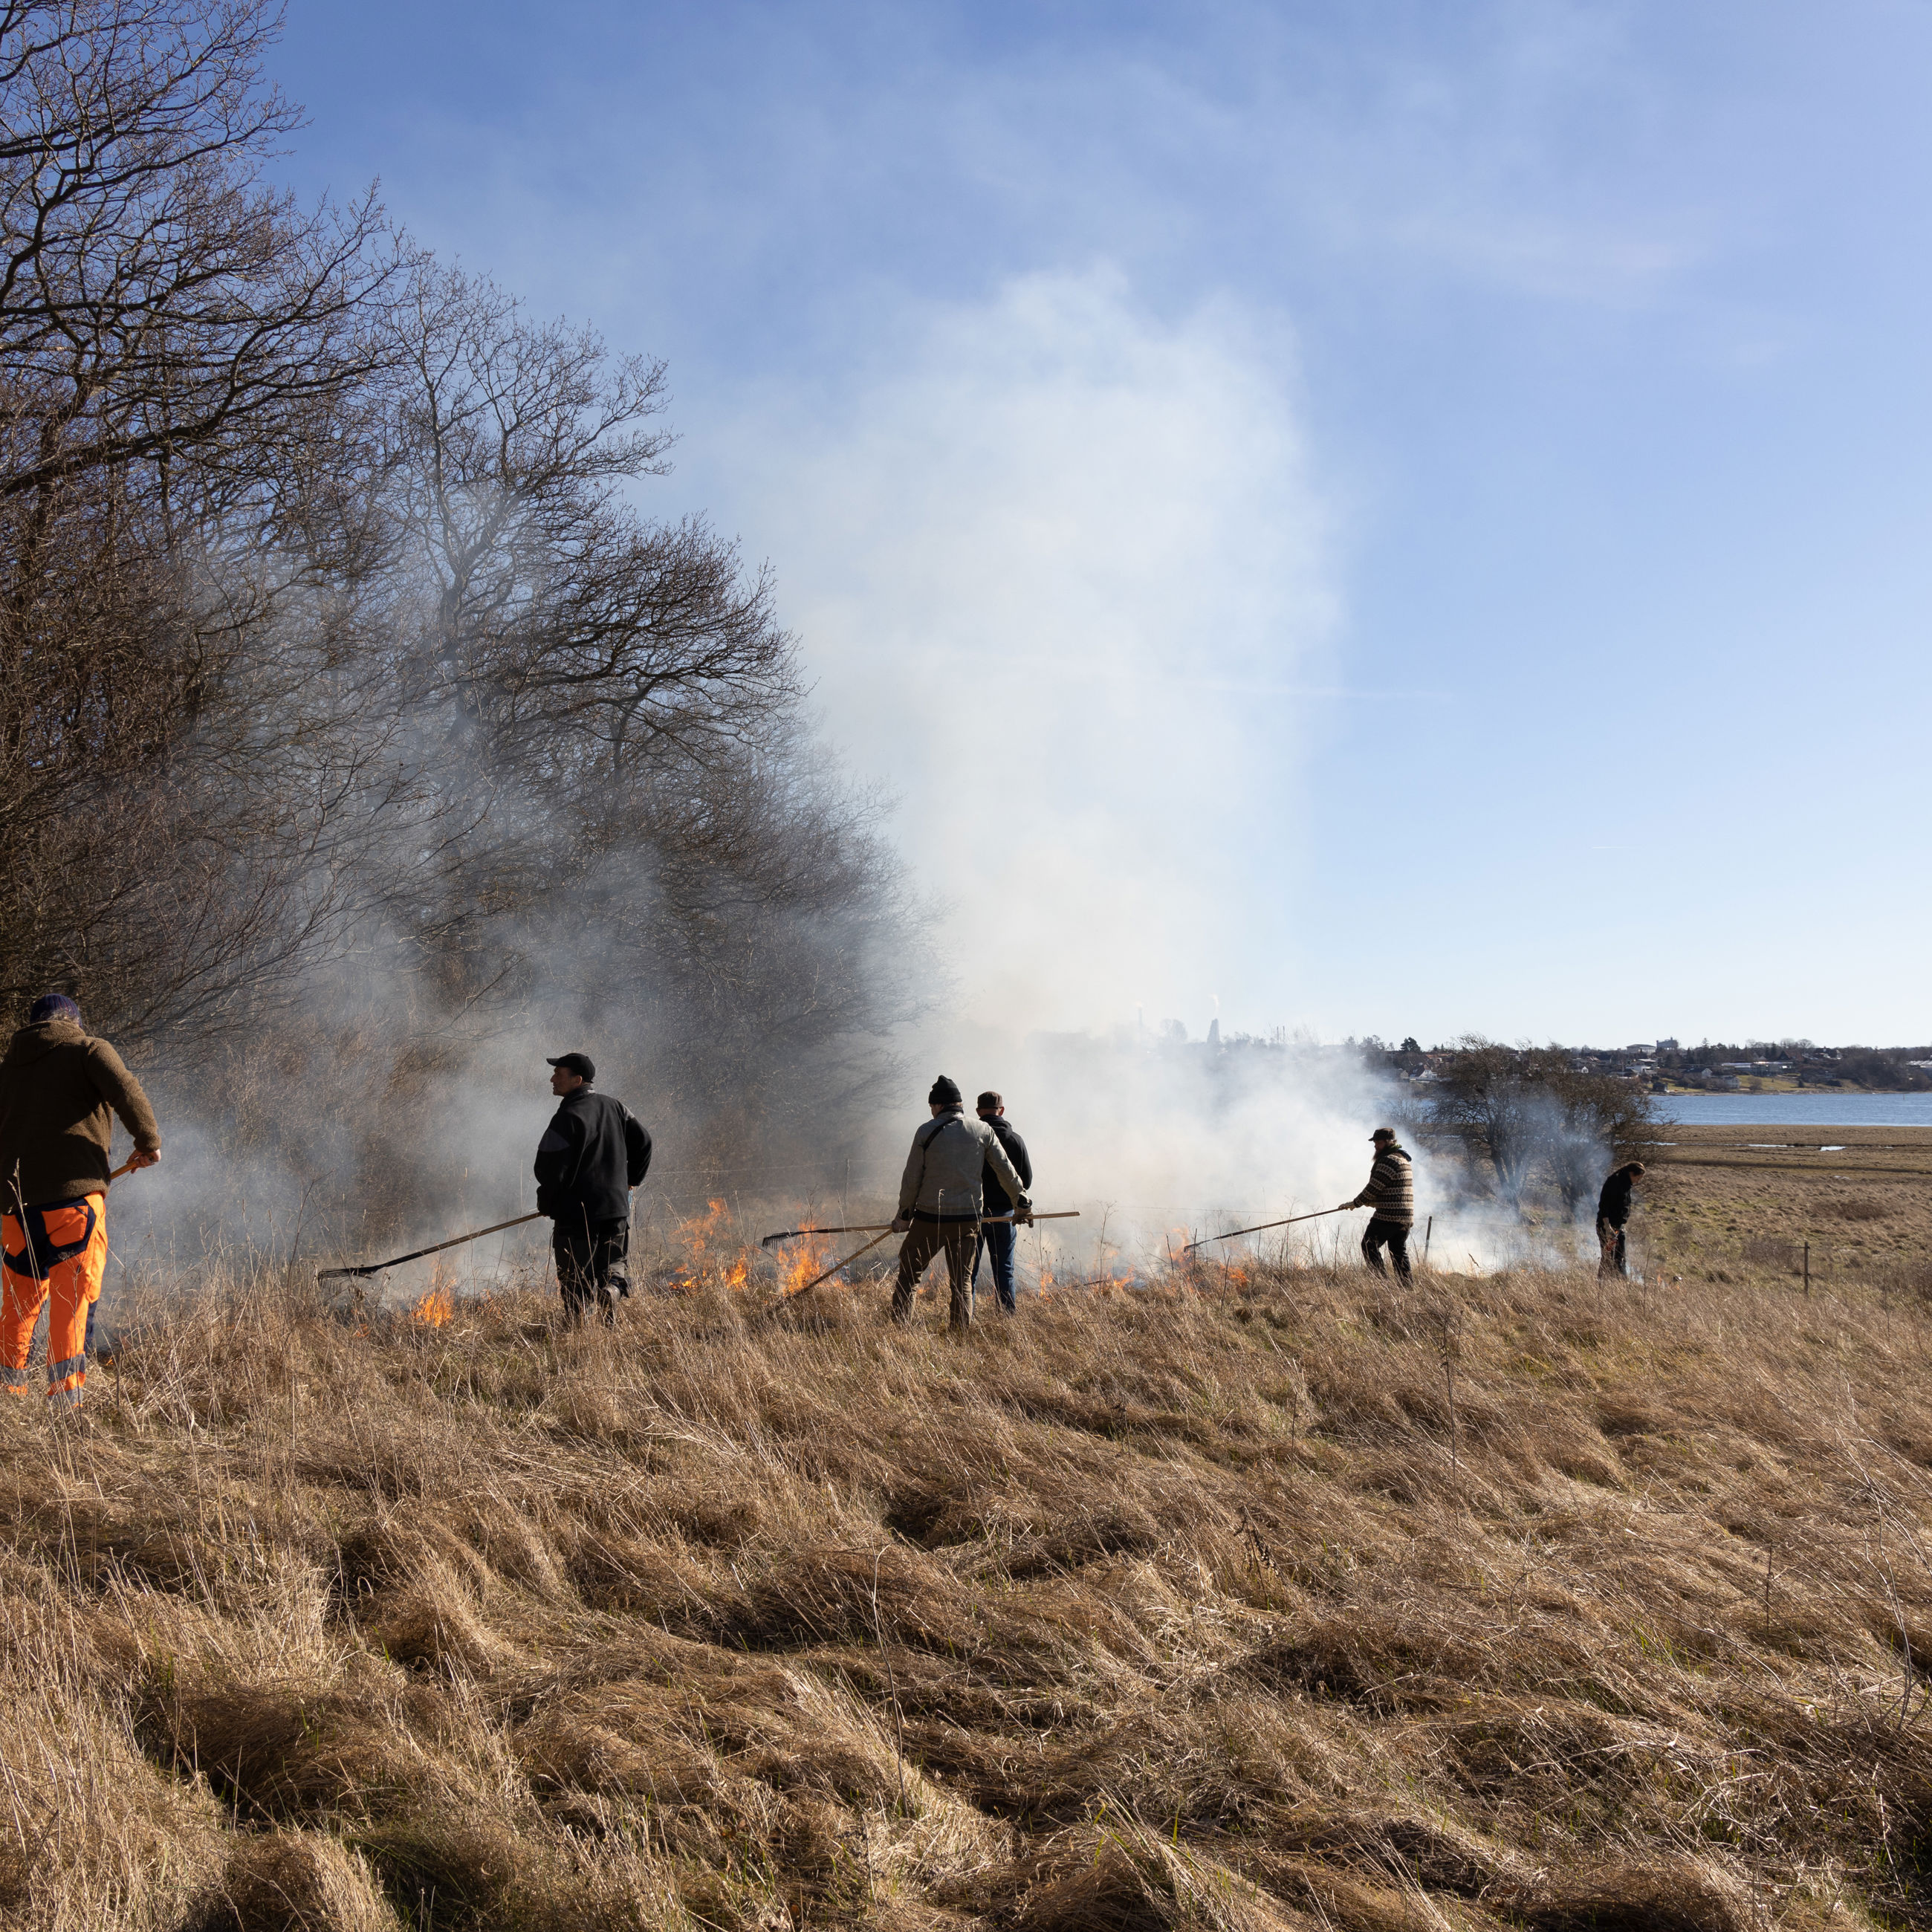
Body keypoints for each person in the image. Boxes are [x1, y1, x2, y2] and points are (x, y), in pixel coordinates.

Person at [0, 994, 161, 1412]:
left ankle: (8, 1397)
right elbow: (126, 1090)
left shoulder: (9, 1067)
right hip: (73, 1207)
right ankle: (65, 1406)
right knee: (73, 1301)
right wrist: (148, 1143)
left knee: (19, 1304)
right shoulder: (88, 1049)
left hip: (15, 1210)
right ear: (73, 1022)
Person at [891, 1076, 1031, 1329]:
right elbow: (1005, 1170)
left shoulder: (926, 1131)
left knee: (910, 1275)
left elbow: (912, 1178)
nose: (931, 1112)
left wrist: (904, 1215)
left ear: (939, 1106)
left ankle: (899, 1329)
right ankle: (960, 1335)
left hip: (930, 1218)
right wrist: (1021, 1203)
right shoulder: (982, 1131)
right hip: (967, 1220)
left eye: (932, 1107)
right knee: (962, 1282)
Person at [534, 1052, 651, 1328]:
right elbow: (644, 1142)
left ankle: (579, 1333)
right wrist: (631, 1180)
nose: (552, 1079)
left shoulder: (567, 1116)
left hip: (577, 1217)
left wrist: (548, 1203)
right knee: (613, 1267)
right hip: (616, 1210)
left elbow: (548, 1170)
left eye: (559, 1074)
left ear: (577, 1080)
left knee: (576, 1278)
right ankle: (611, 1293)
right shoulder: (617, 1107)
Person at [970, 1090, 1034, 1315]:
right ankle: (1007, 1318)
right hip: (1005, 1214)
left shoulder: (970, 1140)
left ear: (978, 1112)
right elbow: (1025, 1180)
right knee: (1004, 1270)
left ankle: (964, 1320)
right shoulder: (1015, 1140)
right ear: (1002, 1111)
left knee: (969, 1272)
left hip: (972, 1214)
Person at [1346, 1127, 1415, 1285]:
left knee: (1369, 1245)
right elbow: (1392, 1190)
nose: (1375, 1146)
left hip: (1388, 1215)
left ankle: (1382, 1284)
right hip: (1405, 1217)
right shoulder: (1402, 1159)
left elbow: (1374, 1187)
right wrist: (1373, 1202)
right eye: (1375, 1142)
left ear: (1389, 1142)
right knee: (1398, 1252)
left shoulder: (1389, 1160)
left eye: (1378, 1142)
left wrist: (1355, 1203)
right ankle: (1407, 1286)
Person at [1596, 1161, 1645, 1277]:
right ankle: (1602, 1283)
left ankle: (1621, 1284)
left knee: (1620, 1257)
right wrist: (1607, 1227)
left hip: (1618, 1228)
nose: (1639, 1181)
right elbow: (1604, 1205)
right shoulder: (1614, 1182)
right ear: (1632, 1173)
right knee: (1608, 1256)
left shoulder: (1626, 1184)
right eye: (1638, 1177)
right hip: (1608, 1228)